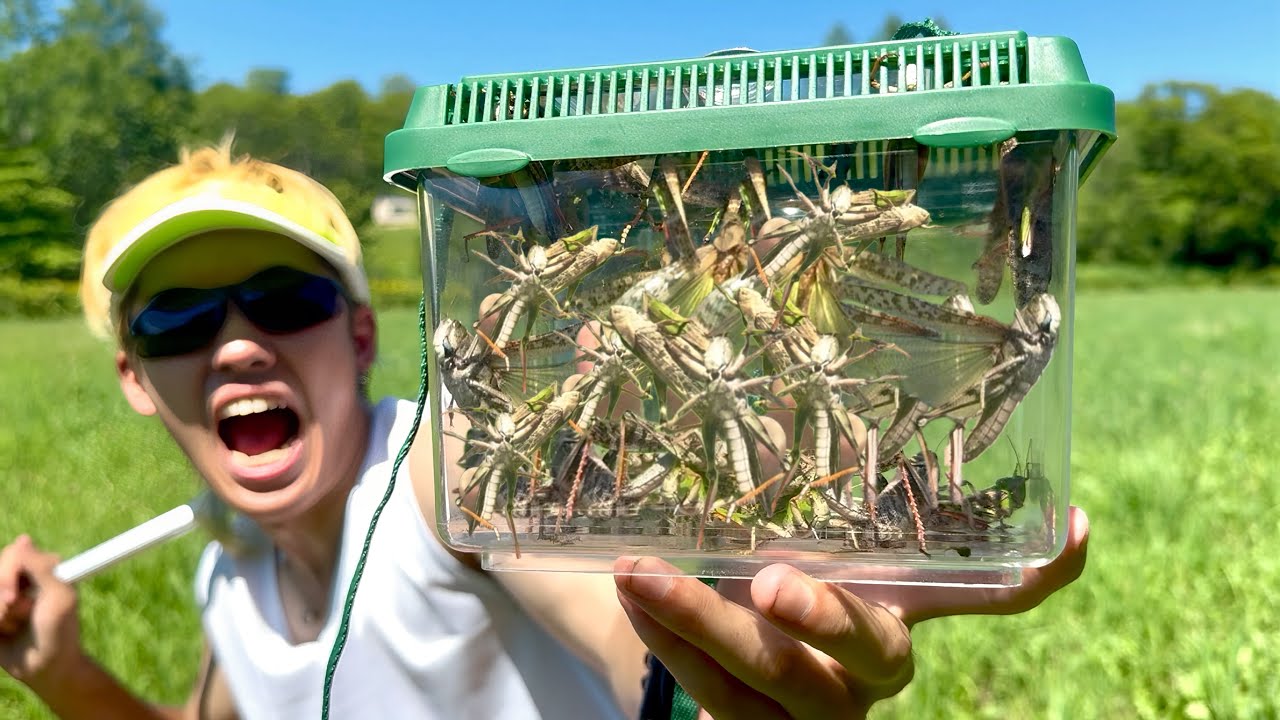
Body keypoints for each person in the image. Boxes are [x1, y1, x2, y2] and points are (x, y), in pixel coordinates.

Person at [0, 141, 1090, 720]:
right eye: (178, 318)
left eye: (284, 299)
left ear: (367, 332)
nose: (237, 344)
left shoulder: (443, 470)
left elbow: (620, 630)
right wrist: (61, 676)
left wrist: (721, 673)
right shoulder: (225, 570)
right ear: (136, 379)